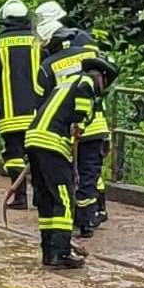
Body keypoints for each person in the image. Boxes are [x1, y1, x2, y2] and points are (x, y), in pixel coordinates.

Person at [23, 55, 118, 269]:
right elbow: (79, 114)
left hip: (34, 139)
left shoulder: (65, 83)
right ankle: (62, 253)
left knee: (46, 199)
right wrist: (81, 126)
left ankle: (49, 251)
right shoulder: (87, 82)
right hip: (54, 144)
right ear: (102, 77)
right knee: (63, 199)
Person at [36, 16, 111, 238]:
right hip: (95, 125)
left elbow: (41, 102)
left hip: (65, 130)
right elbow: (105, 84)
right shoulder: (91, 55)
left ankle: (76, 217)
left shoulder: (47, 66)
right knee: (90, 174)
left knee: (69, 174)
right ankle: (89, 218)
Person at [0, 0, 43, 210]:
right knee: (39, 153)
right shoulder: (39, 42)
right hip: (40, 113)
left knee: (14, 155)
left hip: (10, 112)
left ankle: (19, 197)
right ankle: (41, 197)